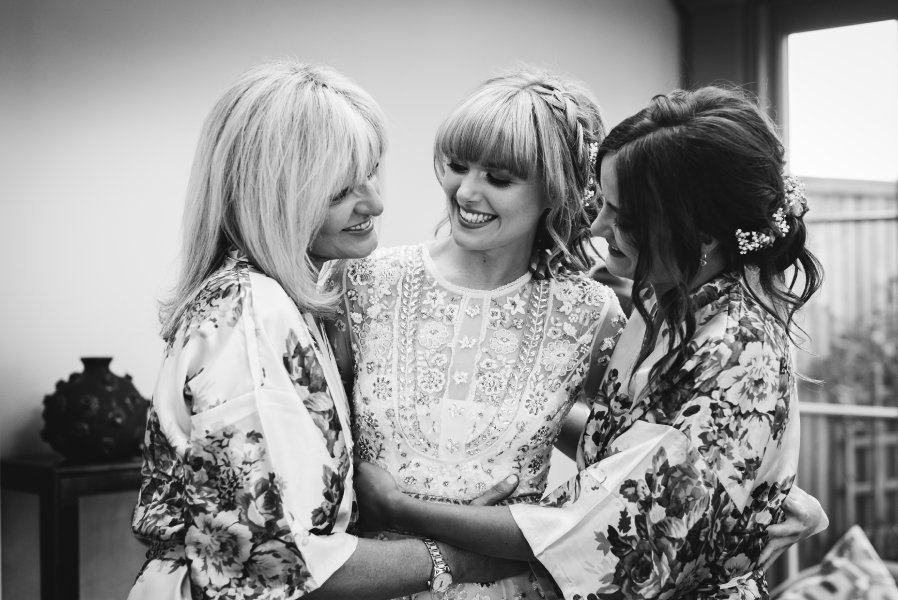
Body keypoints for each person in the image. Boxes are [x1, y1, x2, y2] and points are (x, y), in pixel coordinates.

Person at [353, 85, 826, 599]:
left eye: (622, 216)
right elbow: (635, 444)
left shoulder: (730, 348)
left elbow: (612, 530)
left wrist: (402, 510)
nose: (598, 226)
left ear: (700, 235)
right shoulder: (666, 303)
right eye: (602, 204)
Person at [128, 60, 524, 600]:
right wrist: (461, 558)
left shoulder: (289, 301)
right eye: (339, 192)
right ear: (272, 195)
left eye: (371, 173)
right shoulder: (250, 317)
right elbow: (276, 567)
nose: (375, 203)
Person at [330, 67, 627, 599]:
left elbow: (621, 463)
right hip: (371, 579)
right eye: (457, 166)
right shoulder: (363, 282)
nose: (466, 191)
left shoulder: (591, 313)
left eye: (499, 178)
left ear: (554, 190)